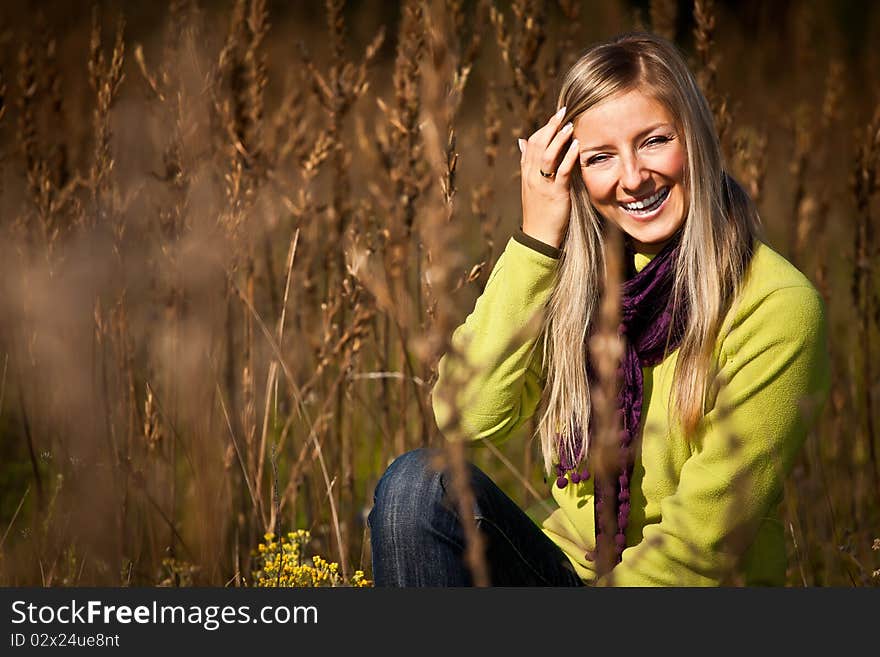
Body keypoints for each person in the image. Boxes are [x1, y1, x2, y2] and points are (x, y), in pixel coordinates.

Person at [367, 32, 830, 586]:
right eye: (601, 157)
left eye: (654, 141)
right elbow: (465, 416)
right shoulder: (576, 288)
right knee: (415, 488)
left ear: (696, 140)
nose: (632, 178)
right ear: (573, 172)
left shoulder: (777, 307)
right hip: (571, 572)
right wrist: (537, 236)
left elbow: (703, 545)